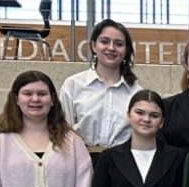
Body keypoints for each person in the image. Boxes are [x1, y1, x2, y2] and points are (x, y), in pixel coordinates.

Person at [58, 19, 139, 152]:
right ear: (94, 46)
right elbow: (63, 129)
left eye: (118, 44)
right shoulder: (73, 85)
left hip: (122, 163)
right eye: (104, 41)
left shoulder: (136, 92)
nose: (111, 48)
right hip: (80, 159)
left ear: (126, 50)